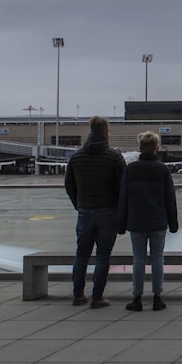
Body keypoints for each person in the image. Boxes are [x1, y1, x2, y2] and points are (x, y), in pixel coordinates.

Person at [65, 116, 126, 308]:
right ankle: (97, 297)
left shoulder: (76, 157)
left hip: (84, 211)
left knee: (81, 254)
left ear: (90, 130)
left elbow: (69, 186)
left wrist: (79, 203)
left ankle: (78, 295)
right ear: (106, 132)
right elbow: (123, 186)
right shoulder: (114, 157)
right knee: (103, 256)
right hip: (107, 211)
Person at [117, 131, 178, 311]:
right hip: (158, 221)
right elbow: (170, 199)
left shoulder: (130, 169)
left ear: (140, 148)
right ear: (157, 148)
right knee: (158, 259)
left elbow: (123, 198)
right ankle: (157, 297)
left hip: (136, 221)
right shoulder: (163, 169)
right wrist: (173, 223)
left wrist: (120, 224)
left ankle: (137, 298)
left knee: (139, 259)